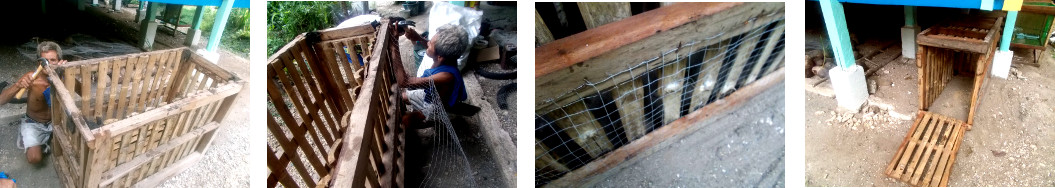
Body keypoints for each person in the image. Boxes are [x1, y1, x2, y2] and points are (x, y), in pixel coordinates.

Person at [0, 41, 67, 164]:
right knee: (35, 159)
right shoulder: (32, 78)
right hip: (34, 123)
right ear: (38, 62)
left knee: (72, 147)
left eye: (53, 60)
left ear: (59, 61)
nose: (48, 64)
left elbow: (81, 92)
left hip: (55, 121)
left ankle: (48, 139)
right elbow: (1, 100)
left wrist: (69, 72)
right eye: (45, 60)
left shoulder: (63, 75)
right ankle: (33, 137)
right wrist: (17, 85)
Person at [391, 23, 469, 127]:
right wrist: (417, 38)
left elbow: (403, 82)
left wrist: (394, 45)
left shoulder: (446, 77)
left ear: (440, 57)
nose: (427, 44)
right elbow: (433, 48)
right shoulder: (447, 58)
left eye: (430, 44)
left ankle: (436, 121)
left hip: (435, 107)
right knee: (403, 96)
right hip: (430, 94)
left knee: (405, 121)